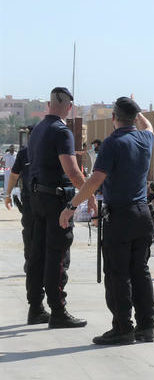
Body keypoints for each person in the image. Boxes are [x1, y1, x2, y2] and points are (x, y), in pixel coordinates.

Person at [59, 97, 154, 345]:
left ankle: (123, 327)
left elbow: (94, 180)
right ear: (135, 117)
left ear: (114, 117)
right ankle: (146, 327)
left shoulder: (113, 143)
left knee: (117, 274)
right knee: (140, 272)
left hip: (120, 216)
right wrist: (138, 110)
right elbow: (149, 126)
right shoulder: (146, 139)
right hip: (143, 214)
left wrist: (71, 206)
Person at [27, 87, 94, 328]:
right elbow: (74, 172)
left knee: (38, 254)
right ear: (69, 107)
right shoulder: (61, 131)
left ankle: (35, 307)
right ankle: (58, 311)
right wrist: (90, 195)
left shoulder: (38, 130)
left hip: (37, 198)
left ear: (48, 104)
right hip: (55, 201)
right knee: (57, 257)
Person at [5, 137, 43, 323]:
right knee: (31, 241)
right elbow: (14, 175)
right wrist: (8, 194)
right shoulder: (24, 154)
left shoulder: (41, 150)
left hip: (41, 203)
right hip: (32, 203)